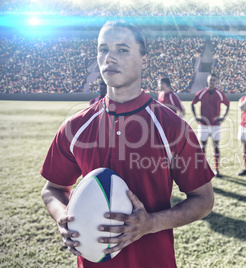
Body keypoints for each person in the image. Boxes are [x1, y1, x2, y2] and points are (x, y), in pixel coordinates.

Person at [40, 21, 214, 268]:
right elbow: (52, 189)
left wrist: (150, 223)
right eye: (103, 49)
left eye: (122, 49)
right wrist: (63, 217)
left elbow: (203, 199)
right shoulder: (75, 126)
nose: (109, 57)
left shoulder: (172, 127)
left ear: (144, 59)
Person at [191, 73, 230, 178]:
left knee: (216, 146)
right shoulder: (202, 93)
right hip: (203, 124)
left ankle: (216, 169)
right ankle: (202, 170)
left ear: (216, 81)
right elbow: (193, 103)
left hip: (215, 125)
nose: (212, 82)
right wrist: (196, 117)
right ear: (207, 81)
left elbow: (227, 104)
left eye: (213, 80)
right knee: (202, 147)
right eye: (210, 80)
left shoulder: (220, 93)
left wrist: (223, 117)